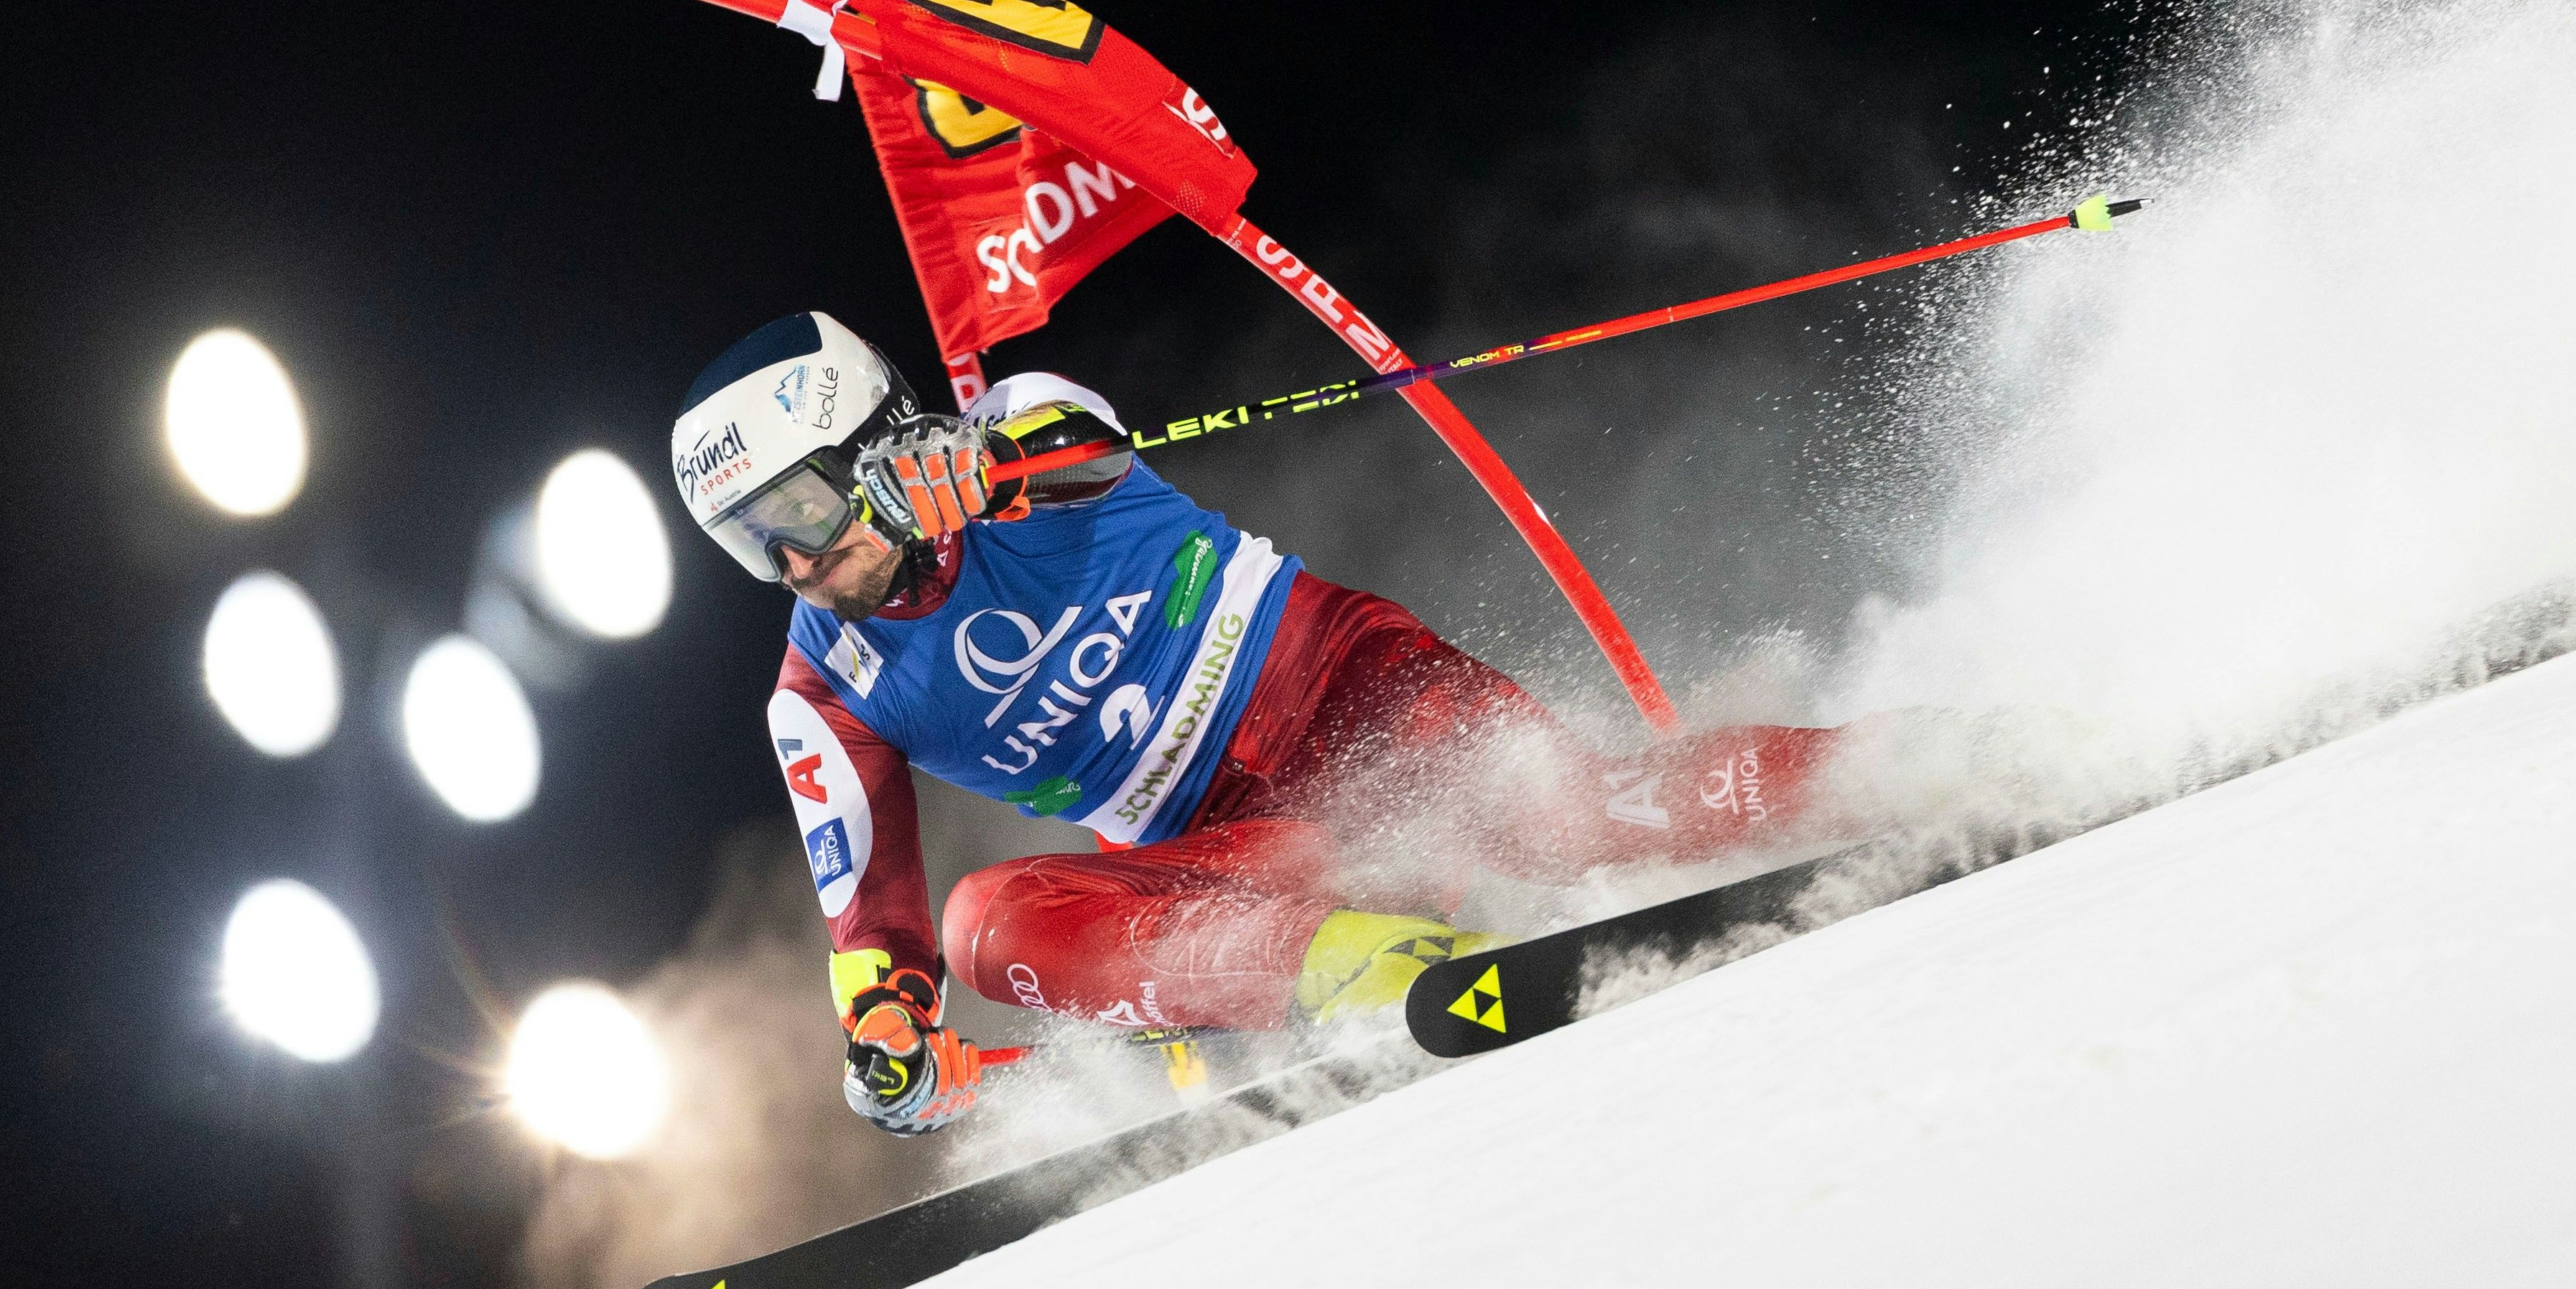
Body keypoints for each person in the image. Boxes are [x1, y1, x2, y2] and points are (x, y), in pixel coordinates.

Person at [672, 312, 1851, 1134]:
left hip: (1359, 698)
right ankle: (1342, 971)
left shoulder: (1014, 428)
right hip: (1252, 864)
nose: (791, 560)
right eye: (748, 541)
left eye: (799, 506)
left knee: (1566, 818)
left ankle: (1908, 764)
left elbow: (1076, 443)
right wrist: (888, 1027)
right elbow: (873, 922)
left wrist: (976, 464)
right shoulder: (817, 695)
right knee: (988, 922)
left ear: (872, 443)